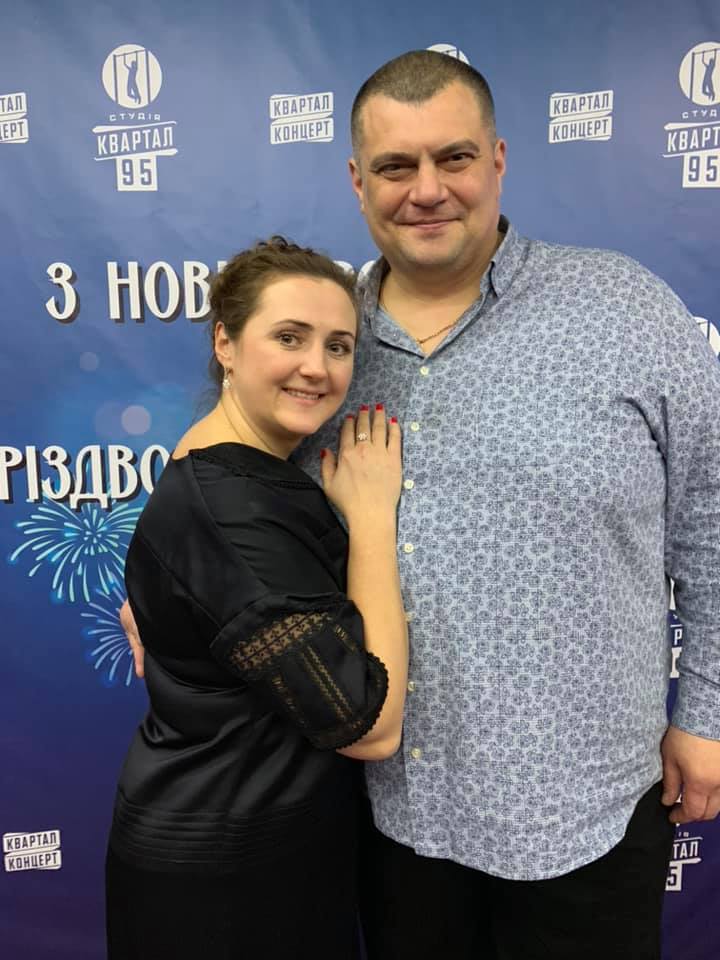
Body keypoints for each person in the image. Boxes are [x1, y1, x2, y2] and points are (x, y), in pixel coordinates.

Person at [123, 51, 720, 959]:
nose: (428, 190)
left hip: (587, 809)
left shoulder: (621, 307)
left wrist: (706, 711)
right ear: (358, 182)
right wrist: (167, 594)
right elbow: (224, 462)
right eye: (397, 166)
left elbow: (711, 517)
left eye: (455, 158)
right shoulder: (328, 338)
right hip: (393, 818)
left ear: (499, 161)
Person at [107, 236, 408, 960]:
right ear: (226, 344)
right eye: (289, 337)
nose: (317, 367)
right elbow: (370, 727)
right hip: (225, 879)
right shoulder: (230, 508)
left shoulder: (226, 462)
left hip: (265, 848)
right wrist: (372, 519)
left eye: (339, 346)